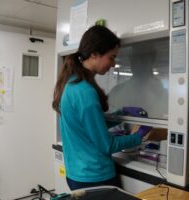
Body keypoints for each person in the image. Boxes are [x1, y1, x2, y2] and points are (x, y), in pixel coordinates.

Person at [52, 25, 151, 190]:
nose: (113, 64)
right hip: (95, 176)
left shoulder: (71, 83)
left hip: (77, 173)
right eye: (111, 57)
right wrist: (140, 135)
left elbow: (89, 125)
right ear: (94, 54)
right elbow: (107, 145)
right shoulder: (85, 91)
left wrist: (120, 114)